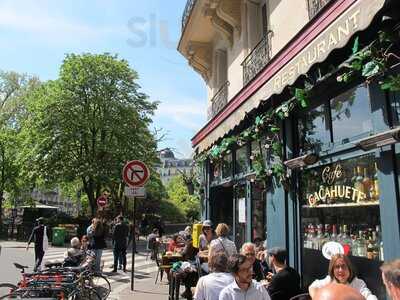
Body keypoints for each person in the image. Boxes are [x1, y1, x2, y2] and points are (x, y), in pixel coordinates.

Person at [309, 254, 377, 300]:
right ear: (332, 270)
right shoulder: (329, 280)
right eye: (337, 267)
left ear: (349, 268)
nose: (340, 270)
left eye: (343, 266)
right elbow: (313, 286)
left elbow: (369, 296)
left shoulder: (357, 283)